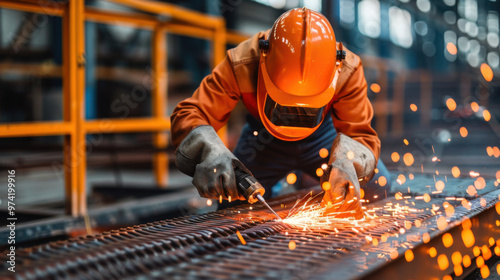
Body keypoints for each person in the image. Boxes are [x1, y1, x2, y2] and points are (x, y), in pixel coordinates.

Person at [170, 8, 391, 219]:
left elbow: (361, 135)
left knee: (373, 187)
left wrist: (348, 161)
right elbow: (190, 112)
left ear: (335, 69)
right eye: (286, 103)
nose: (295, 113)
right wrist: (209, 151)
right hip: (263, 141)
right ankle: (277, 185)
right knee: (235, 207)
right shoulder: (243, 62)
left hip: (324, 140)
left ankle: (306, 180)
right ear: (264, 58)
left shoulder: (347, 70)